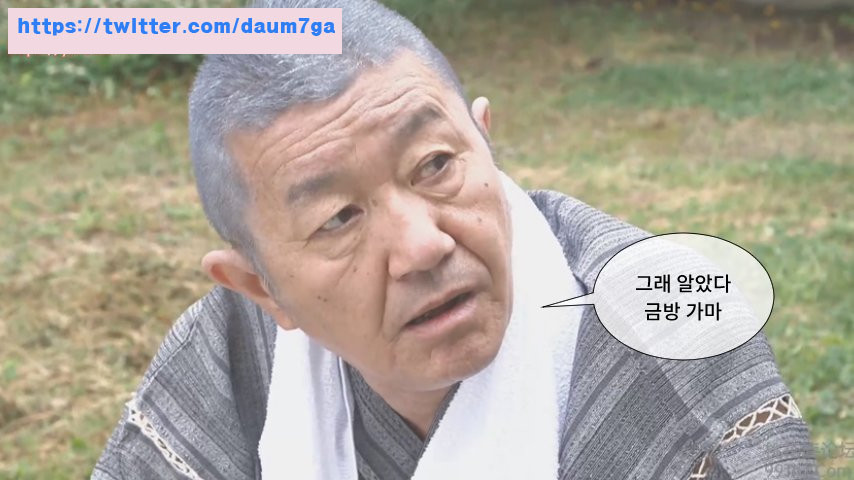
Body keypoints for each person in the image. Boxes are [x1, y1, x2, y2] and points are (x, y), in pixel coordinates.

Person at [92, 0, 820, 478]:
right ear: (260, 287)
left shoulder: (675, 334)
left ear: (485, 142)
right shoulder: (231, 360)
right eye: (339, 218)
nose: (423, 247)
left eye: (436, 165)